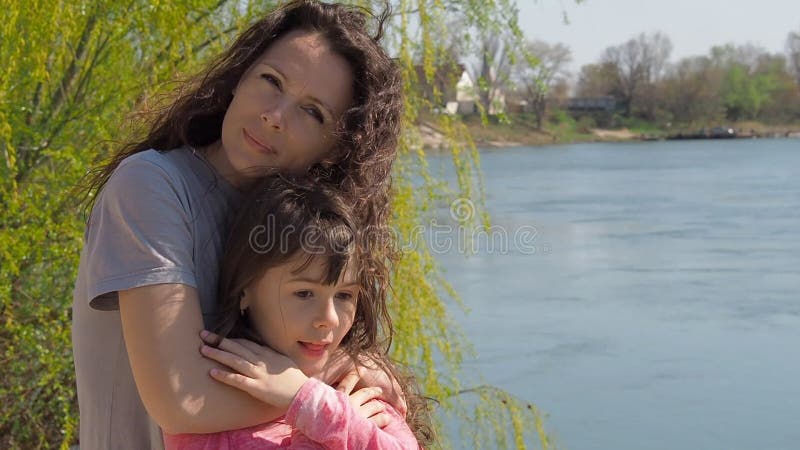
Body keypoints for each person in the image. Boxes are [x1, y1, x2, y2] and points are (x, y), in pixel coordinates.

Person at [71, 1, 403, 448]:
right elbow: (181, 401)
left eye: (312, 112)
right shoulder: (152, 186)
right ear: (238, 79)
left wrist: (359, 369)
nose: (274, 116)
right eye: (271, 81)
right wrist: (321, 381)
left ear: (334, 149)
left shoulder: (297, 228)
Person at [164, 175, 430, 449]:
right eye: (304, 293)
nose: (329, 318)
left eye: (344, 295)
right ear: (245, 290)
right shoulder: (207, 403)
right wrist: (327, 423)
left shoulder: (354, 385)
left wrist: (308, 399)